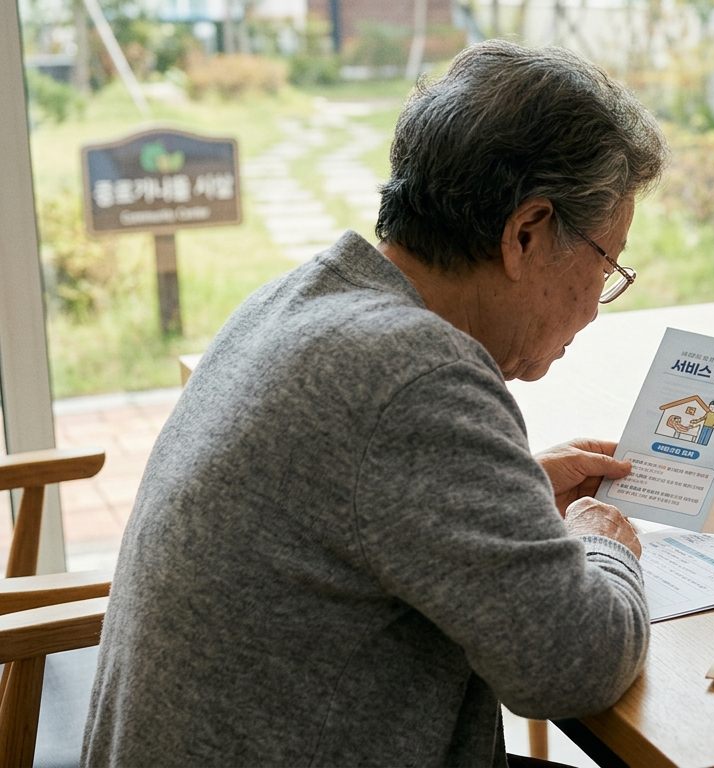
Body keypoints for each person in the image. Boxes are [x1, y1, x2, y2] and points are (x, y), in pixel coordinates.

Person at [83, 41, 667, 767]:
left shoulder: (301, 299)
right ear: (526, 232)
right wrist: (602, 537)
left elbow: (357, 504)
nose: (596, 309)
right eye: (607, 263)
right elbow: (575, 664)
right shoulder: (416, 380)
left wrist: (509, 496)